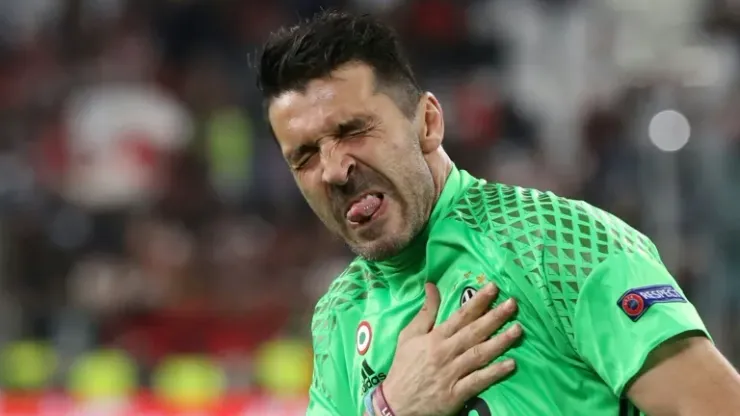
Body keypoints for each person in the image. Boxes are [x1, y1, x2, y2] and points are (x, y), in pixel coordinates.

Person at [256, 10, 740, 416]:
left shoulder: (557, 243)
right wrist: (390, 408)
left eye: (353, 130)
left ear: (428, 123)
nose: (333, 170)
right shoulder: (339, 314)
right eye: (305, 156)